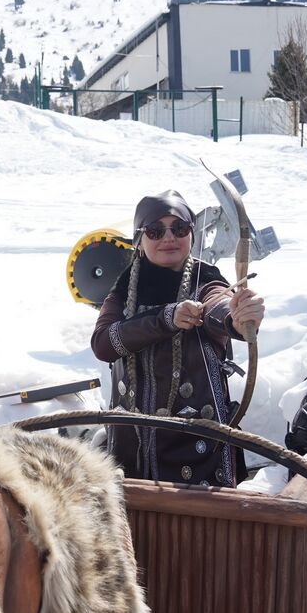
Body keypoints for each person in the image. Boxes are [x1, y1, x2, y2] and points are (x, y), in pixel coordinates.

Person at [91, 189, 264, 486]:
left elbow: (217, 309)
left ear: (191, 235)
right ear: (139, 241)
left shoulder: (207, 280)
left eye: (179, 228)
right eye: (156, 230)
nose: (169, 237)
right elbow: (105, 344)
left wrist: (238, 317)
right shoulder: (123, 290)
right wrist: (165, 319)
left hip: (196, 453)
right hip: (130, 452)